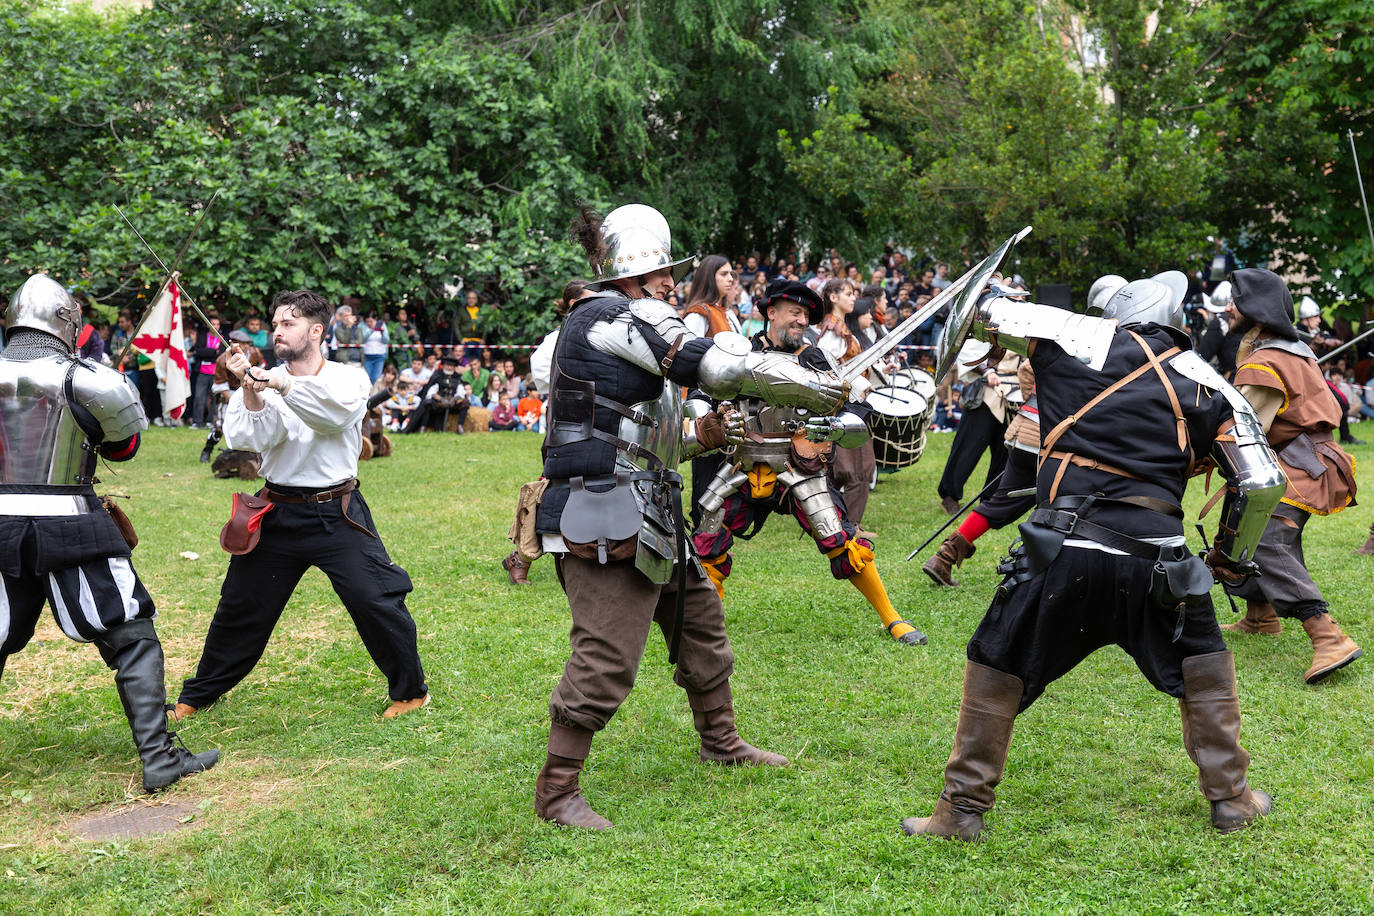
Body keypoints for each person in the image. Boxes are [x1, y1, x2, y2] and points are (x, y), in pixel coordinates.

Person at [902, 270, 1284, 841]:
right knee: (1204, 670)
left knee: (998, 660)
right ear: (1177, 321)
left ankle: (960, 812)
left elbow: (980, 312)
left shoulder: (1064, 342)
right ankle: (1231, 800)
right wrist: (1228, 559)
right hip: (1161, 561)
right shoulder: (1210, 384)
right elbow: (1258, 484)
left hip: (1062, 548)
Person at [532, 204, 850, 830]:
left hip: (643, 503)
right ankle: (556, 790)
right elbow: (714, 365)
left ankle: (721, 741)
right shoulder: (605, 316)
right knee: (605, 655)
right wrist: (806, 382)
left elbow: (643, 436)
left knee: (700, 625)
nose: (670, 283)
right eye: (663, 272)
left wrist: (702, 434)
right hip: (601, 511)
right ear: (638, 269)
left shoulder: (619, 326)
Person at [0, 274, 219, 791]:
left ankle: (162, 757)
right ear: (66, 324)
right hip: (71, 522)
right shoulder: (88, 379)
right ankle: (159, 758)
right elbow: (124, 447)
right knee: (130, 636)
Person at [173, 289, 430, 721]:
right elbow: (248, 441)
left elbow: (333, 417)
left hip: (338, 511)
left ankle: (411, 692)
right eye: (275, 324)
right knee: (240, 607)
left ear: (316, 330)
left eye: (287, 324)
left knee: (377, 598)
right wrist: (250, 388)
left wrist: (278, 383)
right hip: (278, 512)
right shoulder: (265, 378)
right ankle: (197, 695)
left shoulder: (347, 378)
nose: (277, 332)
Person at [692, 279, 927, 647]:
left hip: (797, 466)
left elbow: (854, 409)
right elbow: (702, 394)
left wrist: (830, 426)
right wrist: (714, 416)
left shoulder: (816, 358)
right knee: (708, 541)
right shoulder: (739, 353)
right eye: (794, 312)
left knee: (840, 538)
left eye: (806, 315)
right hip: (742, 463)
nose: (801, 320)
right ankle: (706, 626)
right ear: (771, 313)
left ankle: (892, 618)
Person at [1218, 268, 1362, 684]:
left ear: (1254, 311)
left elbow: (1244, 431)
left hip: (1301, 462)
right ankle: (1260, 614)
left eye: (1235, 300)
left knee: (1263, 537)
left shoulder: (1266, 362)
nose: (1228, 307)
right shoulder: (1294, 349)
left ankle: (1326, 633)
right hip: (1307, 456)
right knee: (1251, 527)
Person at [404, 353, 468, 433]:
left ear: (454, 367)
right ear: (444, 365)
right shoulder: (437, 375)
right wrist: (441, 399)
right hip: (439, 403)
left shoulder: (457, 377)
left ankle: (460, 427)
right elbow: (431, 392)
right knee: (427, 403)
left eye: (451, 366)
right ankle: (423, 427)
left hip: (452, 402)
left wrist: (454, 399)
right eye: (447, 365)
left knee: (465, 403)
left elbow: (461, 391)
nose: (449, 367)